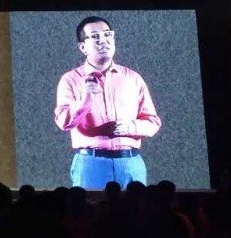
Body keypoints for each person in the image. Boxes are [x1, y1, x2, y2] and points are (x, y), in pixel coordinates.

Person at [54, 16, 161, 189]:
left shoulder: (132, 78)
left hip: (130, 162)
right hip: (91, 163)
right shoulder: (70, 80)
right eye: (95, 37)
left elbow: (153, 122)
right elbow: (63, 122)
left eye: (108, 35)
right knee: (91, 206)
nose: (103, 41)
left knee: (136, 207)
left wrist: (130, 127)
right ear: (83, 47)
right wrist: (85, 99)